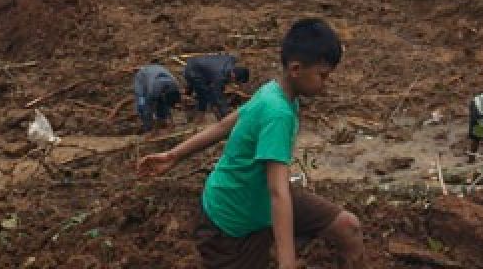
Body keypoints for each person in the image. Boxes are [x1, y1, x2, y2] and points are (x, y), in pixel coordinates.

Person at [137, 18, 362, 269]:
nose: (325, 85)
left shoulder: (272, 91)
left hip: (256, 200)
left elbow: (224, 126)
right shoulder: (277, 113)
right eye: (322, 76)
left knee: (347, 227)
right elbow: (278, 192)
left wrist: (173, 155)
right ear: (296, 69)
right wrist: (287, 262)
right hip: (232, 226)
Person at [183, 54, 250, 122]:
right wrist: (226, 115)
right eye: (236, 81)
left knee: (207, 89)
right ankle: (199, 118)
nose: (234, 83)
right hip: (191, 71)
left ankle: (187, 96)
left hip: (197, 63)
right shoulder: (220, 76)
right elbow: (218, 97)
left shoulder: (231, 60)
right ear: (234, 76)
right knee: (203, 95)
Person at [134, 64, 181, 133]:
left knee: (162, 102)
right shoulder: (153, 91)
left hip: (156, 72)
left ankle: (162, 121)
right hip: (142, 77)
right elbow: (148, 108)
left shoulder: (175, 85)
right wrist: (152, 129)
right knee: (142, 103)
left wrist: (172, 122)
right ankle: (148, 127)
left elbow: (168, 103)